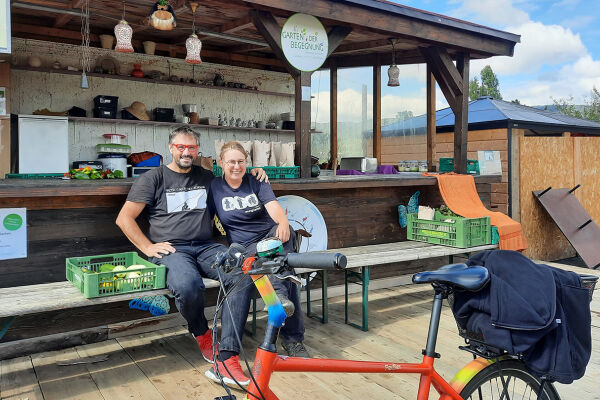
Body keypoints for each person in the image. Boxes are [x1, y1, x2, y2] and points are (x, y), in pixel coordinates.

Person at [116, 127, 267, 387]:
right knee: (188, 285)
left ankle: (228, 358)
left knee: (242, 274)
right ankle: (201, 331)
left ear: (198, 150)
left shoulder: (208, 177)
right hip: (172, 249)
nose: (186, 152)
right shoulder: (154, 177)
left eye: (192, 147)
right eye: (181, 147)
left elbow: (235, 177)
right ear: (171, 148)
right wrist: (148, 247)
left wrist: (255, 172)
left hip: (206, 246)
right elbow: (124, 218)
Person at [207, 141, 309, 375]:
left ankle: (288, 325)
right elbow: (206, 219)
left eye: (241, 161)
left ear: (247, 163)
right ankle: (291, 332)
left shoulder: (256, 180)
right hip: (245, 247)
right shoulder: (214, 187)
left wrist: (283, 223)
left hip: (271, 237)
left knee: (280, 244)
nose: (236, 166)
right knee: (285, 270)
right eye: (231, 162)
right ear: (221, 164)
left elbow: (273, 208)